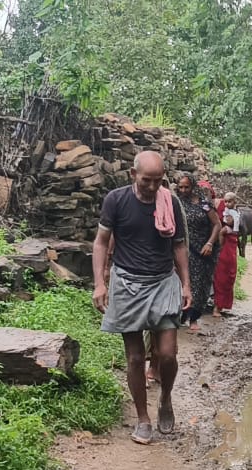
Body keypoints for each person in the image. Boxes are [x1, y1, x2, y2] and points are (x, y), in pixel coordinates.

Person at [92, 150, 191, 445]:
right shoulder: (116, 200)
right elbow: (101, 242)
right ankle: (143, 418)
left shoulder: (170, 202)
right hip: (127, 284)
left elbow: (179, 245)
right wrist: (99, 283)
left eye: (158, 180)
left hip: (163, 281)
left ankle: (165, 398)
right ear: (133, 175)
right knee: (135, 357)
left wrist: (186, 284)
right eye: (146, 180)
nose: (152, 186)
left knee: (168, 354)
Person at [174, 174, 222, 334]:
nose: (183, 190)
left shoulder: (204, 204)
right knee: (182, 282)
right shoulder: (176, 204)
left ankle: (194, 318)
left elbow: (217, 224)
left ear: (193, 187)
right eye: (180, 187)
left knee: (199, 284)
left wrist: (210, 243)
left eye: (186, 187)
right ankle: (181, 316)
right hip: (183, 249)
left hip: (202, 251)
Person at [214, 192, 240, 316]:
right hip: (224, 246)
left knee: (228, 274)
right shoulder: (223, 209)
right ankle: (217, 305)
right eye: (225, 201)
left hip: (230, 243)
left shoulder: (233, 213)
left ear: (235, 202)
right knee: (221, 275)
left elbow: (231, 223)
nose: (227, 204)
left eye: (230, 201)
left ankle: (220, 305)